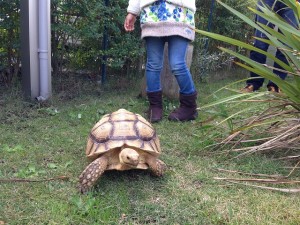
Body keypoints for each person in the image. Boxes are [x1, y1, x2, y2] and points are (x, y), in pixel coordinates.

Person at [124, 0, 198, 122]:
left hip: (180, 14)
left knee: (178, 64)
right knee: (153, 64)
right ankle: (155, 107)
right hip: (152, 14)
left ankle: (189, 108)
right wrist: (132, 11)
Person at [242, 0, 299, 93]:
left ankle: (276, 86)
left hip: (292, 2)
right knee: (260, 42)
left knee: (285, 47)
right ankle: (253, 83)